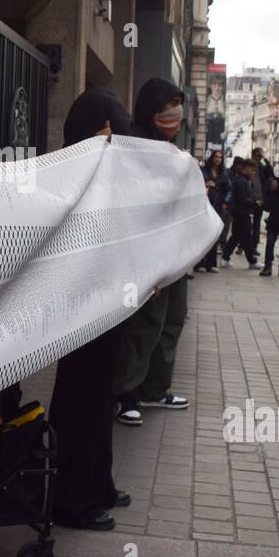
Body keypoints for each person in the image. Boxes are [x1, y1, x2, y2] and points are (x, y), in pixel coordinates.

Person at [48, 88, 140, 531]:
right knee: (81, 400)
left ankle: (96, 484)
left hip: (106, 303)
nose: (112, 143)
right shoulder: (70, 175)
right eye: (105, 134)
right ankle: (72, 498)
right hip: (83, 305)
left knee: (99, 399)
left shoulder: (100, 173)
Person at [115, 79, 193, 425]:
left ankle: (154, 389)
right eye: (167, 106)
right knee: (144, 326)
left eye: (178, 104)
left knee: (171, 321)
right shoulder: (135, 147)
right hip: (149, 256)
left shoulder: (169, 149)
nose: (174, 112)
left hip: (175, 254)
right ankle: (126, 393)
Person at [197, 149, 230, 273]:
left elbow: (229, 189)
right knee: (202, 234)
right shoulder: (203, 170)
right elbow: (196, 184)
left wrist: (226, 202)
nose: (218, 159)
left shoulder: (224, 173)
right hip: (204, 205)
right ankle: (200, 263)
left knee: (213, 234)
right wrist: (206, 183)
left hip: (218, 206)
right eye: (216, 156)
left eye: (220, 157)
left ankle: (211, 263)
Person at [221, 159, 259, 268]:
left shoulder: (240, 179)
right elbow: (243, 199)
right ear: (246, 168)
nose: (253, 173)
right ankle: (252, 261)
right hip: (242, 213)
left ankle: (225, 258)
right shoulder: (242, 181)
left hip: (238, 212)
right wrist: (255, 203)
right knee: (246, 237)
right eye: (252, 170)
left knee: (236, 236)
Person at [251, 147, 274, 255]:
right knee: (245, 225)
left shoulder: (262, 168)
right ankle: (242, 244)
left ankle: (254, 246)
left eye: (260, 156)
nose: (258, 158)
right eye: (257, 155)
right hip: (249, 199)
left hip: (260, 199)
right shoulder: (248, 166)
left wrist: (266, 159)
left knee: (256, 225)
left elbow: (271, 173)